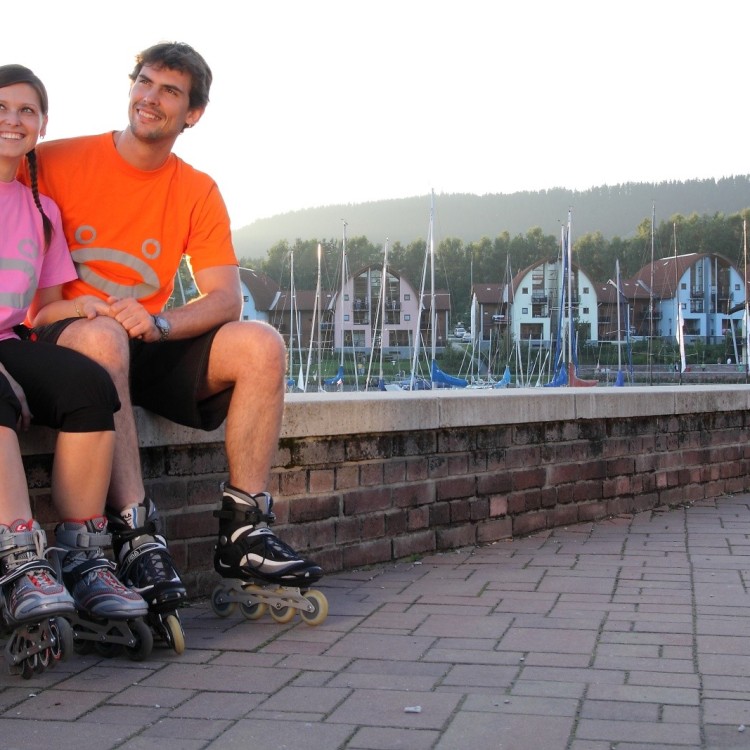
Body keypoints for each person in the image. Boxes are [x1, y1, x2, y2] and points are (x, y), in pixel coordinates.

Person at [24, 43, 322, 626]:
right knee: (106, 335)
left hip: (142, 342)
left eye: (169, 91)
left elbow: (224, 298)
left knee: (261, 344)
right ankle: (135, 533)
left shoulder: (197, 189)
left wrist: (159, 322)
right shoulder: (56, 159)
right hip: (62, 337)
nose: (150, 98)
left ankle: (245, 532)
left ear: (193, 114)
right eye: (145, 81)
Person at [0, 64, 146, 634]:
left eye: (26, 111)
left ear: (41, 124)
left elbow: (43, 307)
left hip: (10, 340)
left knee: (90, 386)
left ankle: (81, 554)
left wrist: (88, 308)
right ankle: (16, 560)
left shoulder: (40, 210)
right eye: (1, 108)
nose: (13, 120)